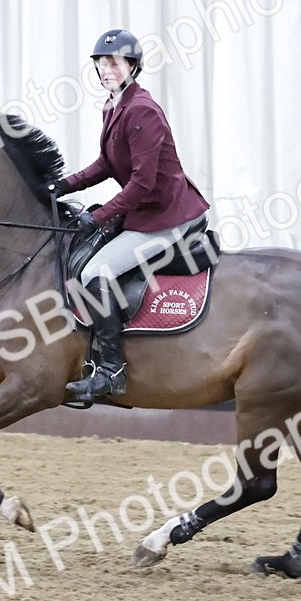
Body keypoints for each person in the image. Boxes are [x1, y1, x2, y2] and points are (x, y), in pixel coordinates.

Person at [53, 28, 210, 401]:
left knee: (96, 271)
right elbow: (106, 164)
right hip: (146, 212)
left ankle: (111, 371)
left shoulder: (142, 111)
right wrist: (62, 186)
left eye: (115, 64)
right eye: (101, 64)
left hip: (169, 216)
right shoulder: (113, 106)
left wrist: (99, 217)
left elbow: (142, 182)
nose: (107, 70)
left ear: (133, 67)